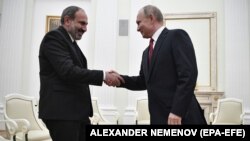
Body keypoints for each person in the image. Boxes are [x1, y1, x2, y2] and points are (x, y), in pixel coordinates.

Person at [38, 6, 124, 141]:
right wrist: (103, 76)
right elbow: (68, 71)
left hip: (76, 113)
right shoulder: (54, 38)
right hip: (62, 113)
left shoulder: (70, 42)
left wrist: (104, 75)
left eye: (86, 24)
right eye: (82, 23)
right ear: (67, 20)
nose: (85, 28)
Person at [112, 5, 207, 125]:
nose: (137, 28)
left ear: (151, 18)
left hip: (181, 118)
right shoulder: (146, 52)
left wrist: (177, 111)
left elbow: (188, 76)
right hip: (159, 119)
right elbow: (143, 81)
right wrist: (119, 79)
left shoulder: (176, 36)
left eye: (138, 22)